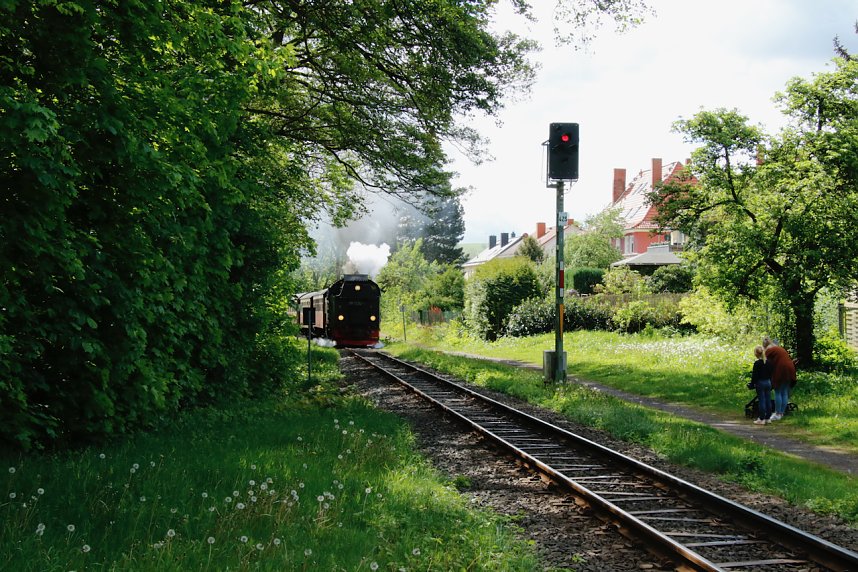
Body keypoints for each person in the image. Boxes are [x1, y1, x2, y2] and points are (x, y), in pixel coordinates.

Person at [763, 336, 797, 421]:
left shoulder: (769, 350)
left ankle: (777, 413)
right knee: (784, 392)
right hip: (790, 368)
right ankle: (781, 413)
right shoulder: (779, 349)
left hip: (781, 370)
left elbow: (764, 362)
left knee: (778, 391)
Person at [749, 345, 773, 425]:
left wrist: (752, 384)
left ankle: (761, 418)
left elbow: (755, 375)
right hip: (768, 382)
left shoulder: (757, 363)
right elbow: (771, 373)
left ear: (756, 354)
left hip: (760, 383)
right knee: (768, 400)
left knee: (762, 400)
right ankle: (768, 417)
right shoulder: (769, 362)